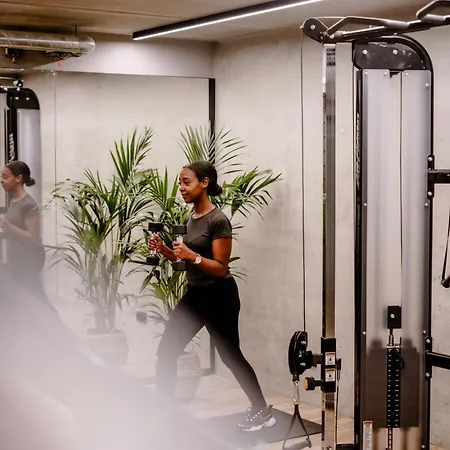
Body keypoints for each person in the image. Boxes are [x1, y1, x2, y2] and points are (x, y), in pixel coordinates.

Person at [148, 160, 276, 432]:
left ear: (204, 183)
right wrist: (166, 251)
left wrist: (192, 255)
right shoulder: (190, 218)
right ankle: (162, 418)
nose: (181, 188)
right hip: (196, 295)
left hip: (219, 296)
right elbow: (184, 263)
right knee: (167, 350)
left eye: (186, 182)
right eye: (180, 183)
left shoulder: (218, 220)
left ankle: (262, 410)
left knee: (230, 356)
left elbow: (220, 268)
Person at [0, 160, 47, 303]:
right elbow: (14, 231)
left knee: (35, 298)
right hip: (16, 259)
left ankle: (51, 318)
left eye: (5, 177)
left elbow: (33, 238)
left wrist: (9, 226)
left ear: (18, 178)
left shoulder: (28, 204)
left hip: (27, 261)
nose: (1, 181)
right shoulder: (14, 201)